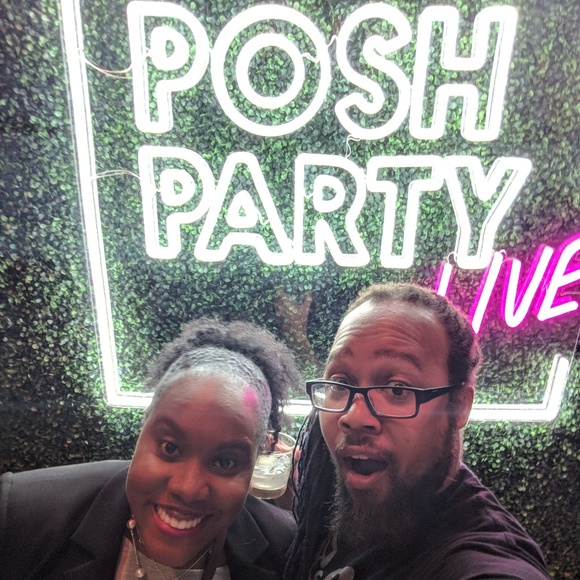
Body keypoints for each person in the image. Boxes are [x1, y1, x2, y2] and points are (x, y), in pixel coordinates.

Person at [285, 282, 551, 580]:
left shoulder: (482, 563)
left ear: (459, 405)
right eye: (341, 382)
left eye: (398, 388)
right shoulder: (330, 461)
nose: (354, 417)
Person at [0, 318, 301, 580]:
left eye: (225, 462)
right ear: (143, 429)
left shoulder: (285, 549)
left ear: (255, 463)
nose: (187, 488)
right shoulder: (21, 515)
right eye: (170, 448)